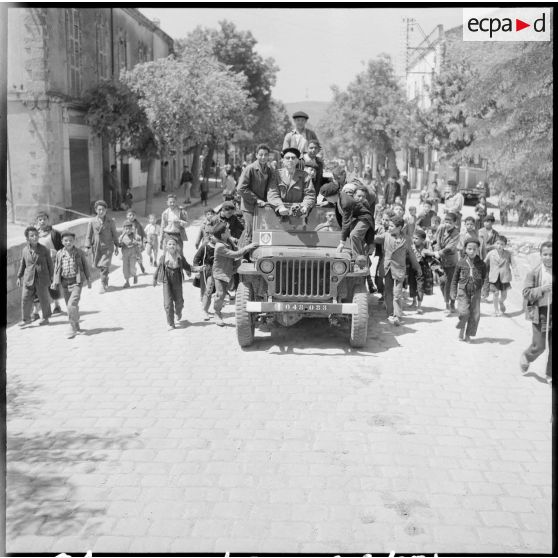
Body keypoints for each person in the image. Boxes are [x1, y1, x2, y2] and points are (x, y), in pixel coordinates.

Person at [374, 215, 422, 326]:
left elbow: (411, 254)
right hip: (386, 268)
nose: (389, 228)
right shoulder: (385, 235)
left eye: (392, 226)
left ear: (399, 227)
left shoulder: (407, 239)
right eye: (389, 225)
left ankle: (397, 315)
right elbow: (374, 238)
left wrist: (417, 267)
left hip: (399, 270)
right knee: (388, 292)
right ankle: (390, 314)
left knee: (397, 294)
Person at [211, 222, 257, 326]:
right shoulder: (219, 246)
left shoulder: (228, 240)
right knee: (220, 295)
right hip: (221, 274)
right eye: (227, 230)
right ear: (222, 234)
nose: (230, 230)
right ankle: (217, 314)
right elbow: (235, 254)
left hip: (230, 270)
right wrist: (247, 247)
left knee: (229, 291)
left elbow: (237, 248)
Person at [520, 241, 553, 384]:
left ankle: (549, 373)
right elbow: (526, 293)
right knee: (539, 346)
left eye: (551, 255)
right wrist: (542, 289)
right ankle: (527, 356)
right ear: (540, 255)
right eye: (545, 254)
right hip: (540, 312)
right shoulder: (534, 272)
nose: (548, 257)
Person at [51, 231, 91, 339]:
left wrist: (88, 279)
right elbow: (57, 269)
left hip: (77, 282)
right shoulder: (59, 254)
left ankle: (72, 326)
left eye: (71, 240)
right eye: (66, 241)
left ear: (75, 241)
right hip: (65, 283)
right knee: (71, 306)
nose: (68, 242)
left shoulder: (79, 252)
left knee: (71, 304)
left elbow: (85, 266)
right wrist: (55, 282)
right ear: (62, 242)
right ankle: (76, 323)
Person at [319, 182, 373, 257]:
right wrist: (328, 203)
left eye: (326, 197)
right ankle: (363, 257)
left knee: (354, 235)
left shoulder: (346, 202)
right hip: (358, 218)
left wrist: (342, 243)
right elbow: (336, 203)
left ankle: (358, 259)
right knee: (353, 236)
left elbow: (346, 222)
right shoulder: (339, 196)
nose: (326, 199)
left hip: (364, 218)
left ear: (331, 196)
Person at [450, 238, 487, 343]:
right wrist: (453, 291)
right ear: (465, 249)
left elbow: (485, 278)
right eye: (469, 249)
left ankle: (468, 335)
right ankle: (461, 328)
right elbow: (454, 279)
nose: (472, 251)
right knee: (464, 312)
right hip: (463, 291)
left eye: (474, 249)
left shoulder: (482, 264)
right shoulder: (460, 263)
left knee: (475, 314)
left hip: (476, 291)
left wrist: (485, 289)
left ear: (478, 250)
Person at [17, 226, 54, 327]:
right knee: (25, 298)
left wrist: (52, 277)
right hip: (28, 279)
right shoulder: (24, 250)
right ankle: (26, 319)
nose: (35, 237)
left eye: (36, 235)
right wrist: (19, 276)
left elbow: (50, 264)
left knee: (44, 299)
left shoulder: (44, 249)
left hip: (42, 278)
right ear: (27, 238)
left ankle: (46, 318)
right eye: (32, 236)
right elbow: (23, 264)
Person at [152, 236, 192, 330]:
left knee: (179, 301)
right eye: (169, 244)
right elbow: (158, 268)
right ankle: (171, 322)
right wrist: (154, 278)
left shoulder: (180, 257)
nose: (172, 246)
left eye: (173, 244)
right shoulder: (163, 258)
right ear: (166, 246)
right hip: (167, 279)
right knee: (168, 303)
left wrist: (197, 269)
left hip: (177, 278)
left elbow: (187, 266)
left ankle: (178, 312)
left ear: (177, 246)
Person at [236, 144, 273, 243]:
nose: (263, 157)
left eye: (266, 155)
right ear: (256, 155)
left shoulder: (269, 170)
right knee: (251, 233)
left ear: (269, 156)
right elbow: (240, 189)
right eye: (261, 154)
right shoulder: (250, 168)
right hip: (249, 207)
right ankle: (245, 257)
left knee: (262, 233)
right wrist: (256, 199)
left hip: (262, 207)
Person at [427, 211, 460, 315]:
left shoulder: (456, 234)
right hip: (440, 261)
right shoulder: (441, 228)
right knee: (442, 282)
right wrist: (435, 251)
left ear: (455, 223)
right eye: (446, 221)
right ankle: (447, 301)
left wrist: (438, 253)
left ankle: (451, 304)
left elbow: (450, 248)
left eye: (450, 222)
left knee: (451, 283)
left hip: (451, 262)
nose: (447, 224)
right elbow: (436, 240)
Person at [267, 148, 316, 216]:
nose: (290, 160)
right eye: (287, 158)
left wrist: (305, 206)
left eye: (293, 158)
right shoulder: (276, 175)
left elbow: (310, 194)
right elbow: (272, 193)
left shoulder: (305, 176)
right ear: (283, 160)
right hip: (280, 213)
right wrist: (280, 207)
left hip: (298, 213)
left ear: (297, 161)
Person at [85, 200, 119, 294]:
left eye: (103, 209)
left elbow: (114, 234)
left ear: (106, 210)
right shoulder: (92, 221)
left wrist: (117, 245)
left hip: (108, 247)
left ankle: (103, 284)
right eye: (99, 209)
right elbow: (88, 235)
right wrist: (87, 247)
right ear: (96, 210)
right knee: (100, 266)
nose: (101, 211)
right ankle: (105, 278)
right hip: (97, 248)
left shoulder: (110, 221)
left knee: (104, 265)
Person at [35, 211, 63, 314]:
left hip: (52, 263)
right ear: (37, 221)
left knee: (52, 284)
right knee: (37, 286)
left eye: (44, 219)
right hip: (38, 264)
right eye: (40, 219)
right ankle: (36, 311)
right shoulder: (34, 234)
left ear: (48, 220)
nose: (42, 221)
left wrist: (56, 253)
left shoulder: (54, 233)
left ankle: (56, 305)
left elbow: (62, 248)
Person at [484, 235, 518, 316]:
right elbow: (484, 263)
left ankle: (501, 301)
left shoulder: (508, 254)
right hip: (493, 277)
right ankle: (496, 310)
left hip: (504, 277)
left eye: (502, 244)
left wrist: (516, 274)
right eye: (497, 243)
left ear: (505, 245)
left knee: (504, 295)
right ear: (494, 244)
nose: (499, 246)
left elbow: (513, 264)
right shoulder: (491, 253)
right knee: (495, 293)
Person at [408, 229, 433, 314]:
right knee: (412, 284)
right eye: (413, 238)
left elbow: (430, 255)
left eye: (416, 238)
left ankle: (419, 306)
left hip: (421, 270)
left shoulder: (425, 248)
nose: (414, 240)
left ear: (422, 240)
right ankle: (414, 301)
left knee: (420, 287)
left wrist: (426, 253)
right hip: (412, 269)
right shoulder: (411, 247)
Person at [192, 231, 217, 321]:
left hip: (217, 271)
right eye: (215, 235)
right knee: (208, 290)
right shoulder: (205, 247)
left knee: (210, 291)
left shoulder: (220, 246)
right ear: (210, 236)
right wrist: (197, 270)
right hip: (207, 271)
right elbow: (196, 258)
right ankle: (205, 310)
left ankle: (210, 309)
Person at [119, 220, 141, 288]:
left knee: (132, 268)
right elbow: (119, 244)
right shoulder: (122, 236)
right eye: (126, 229)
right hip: (125, 255)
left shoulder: (134, 235)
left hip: (133, 254)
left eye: (129, 229)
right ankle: (127, 282)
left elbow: (138, 242)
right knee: (125, 269)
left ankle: (134, 275)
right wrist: (120, 244)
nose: (128, 230)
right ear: (124, 229)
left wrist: (136, 242)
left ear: (132, 229)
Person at [126, 209, 146, 274]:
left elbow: (143, 233)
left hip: (137, 243)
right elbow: (123, 233)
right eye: (130, 215)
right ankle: (131, 270)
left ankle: (141, 265)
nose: (131, 216)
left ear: (135, 216)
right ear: (127, 216)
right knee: (130, 258)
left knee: (138, 256)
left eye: (133, 215)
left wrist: (144, 241)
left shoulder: (138, 224)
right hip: (128, 243)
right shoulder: (125, 224)